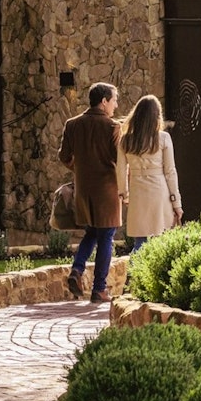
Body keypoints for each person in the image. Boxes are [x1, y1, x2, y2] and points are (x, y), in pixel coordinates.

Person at [58, 82, 123, 303]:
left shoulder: (72, 124)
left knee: (92, 233)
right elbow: (119, 160)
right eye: (114, 100)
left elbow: (64, 156)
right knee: (106, 236)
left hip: (83, 190)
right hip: (107, 191)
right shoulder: (112, 127)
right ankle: (99, 289)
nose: (116, 105)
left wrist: (79, 168)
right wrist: (126, 186)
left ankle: (77, 270)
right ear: (104, 101)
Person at [117, 94, 182, 251]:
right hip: (160, 193)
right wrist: (176, 203)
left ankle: (133, 274)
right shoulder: (164, 138)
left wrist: (124, 194)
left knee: (140, 241)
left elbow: (120, 169)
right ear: (156, 116)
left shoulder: (125, 140)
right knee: (162, 240)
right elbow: (170, 172)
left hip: (138, 193)